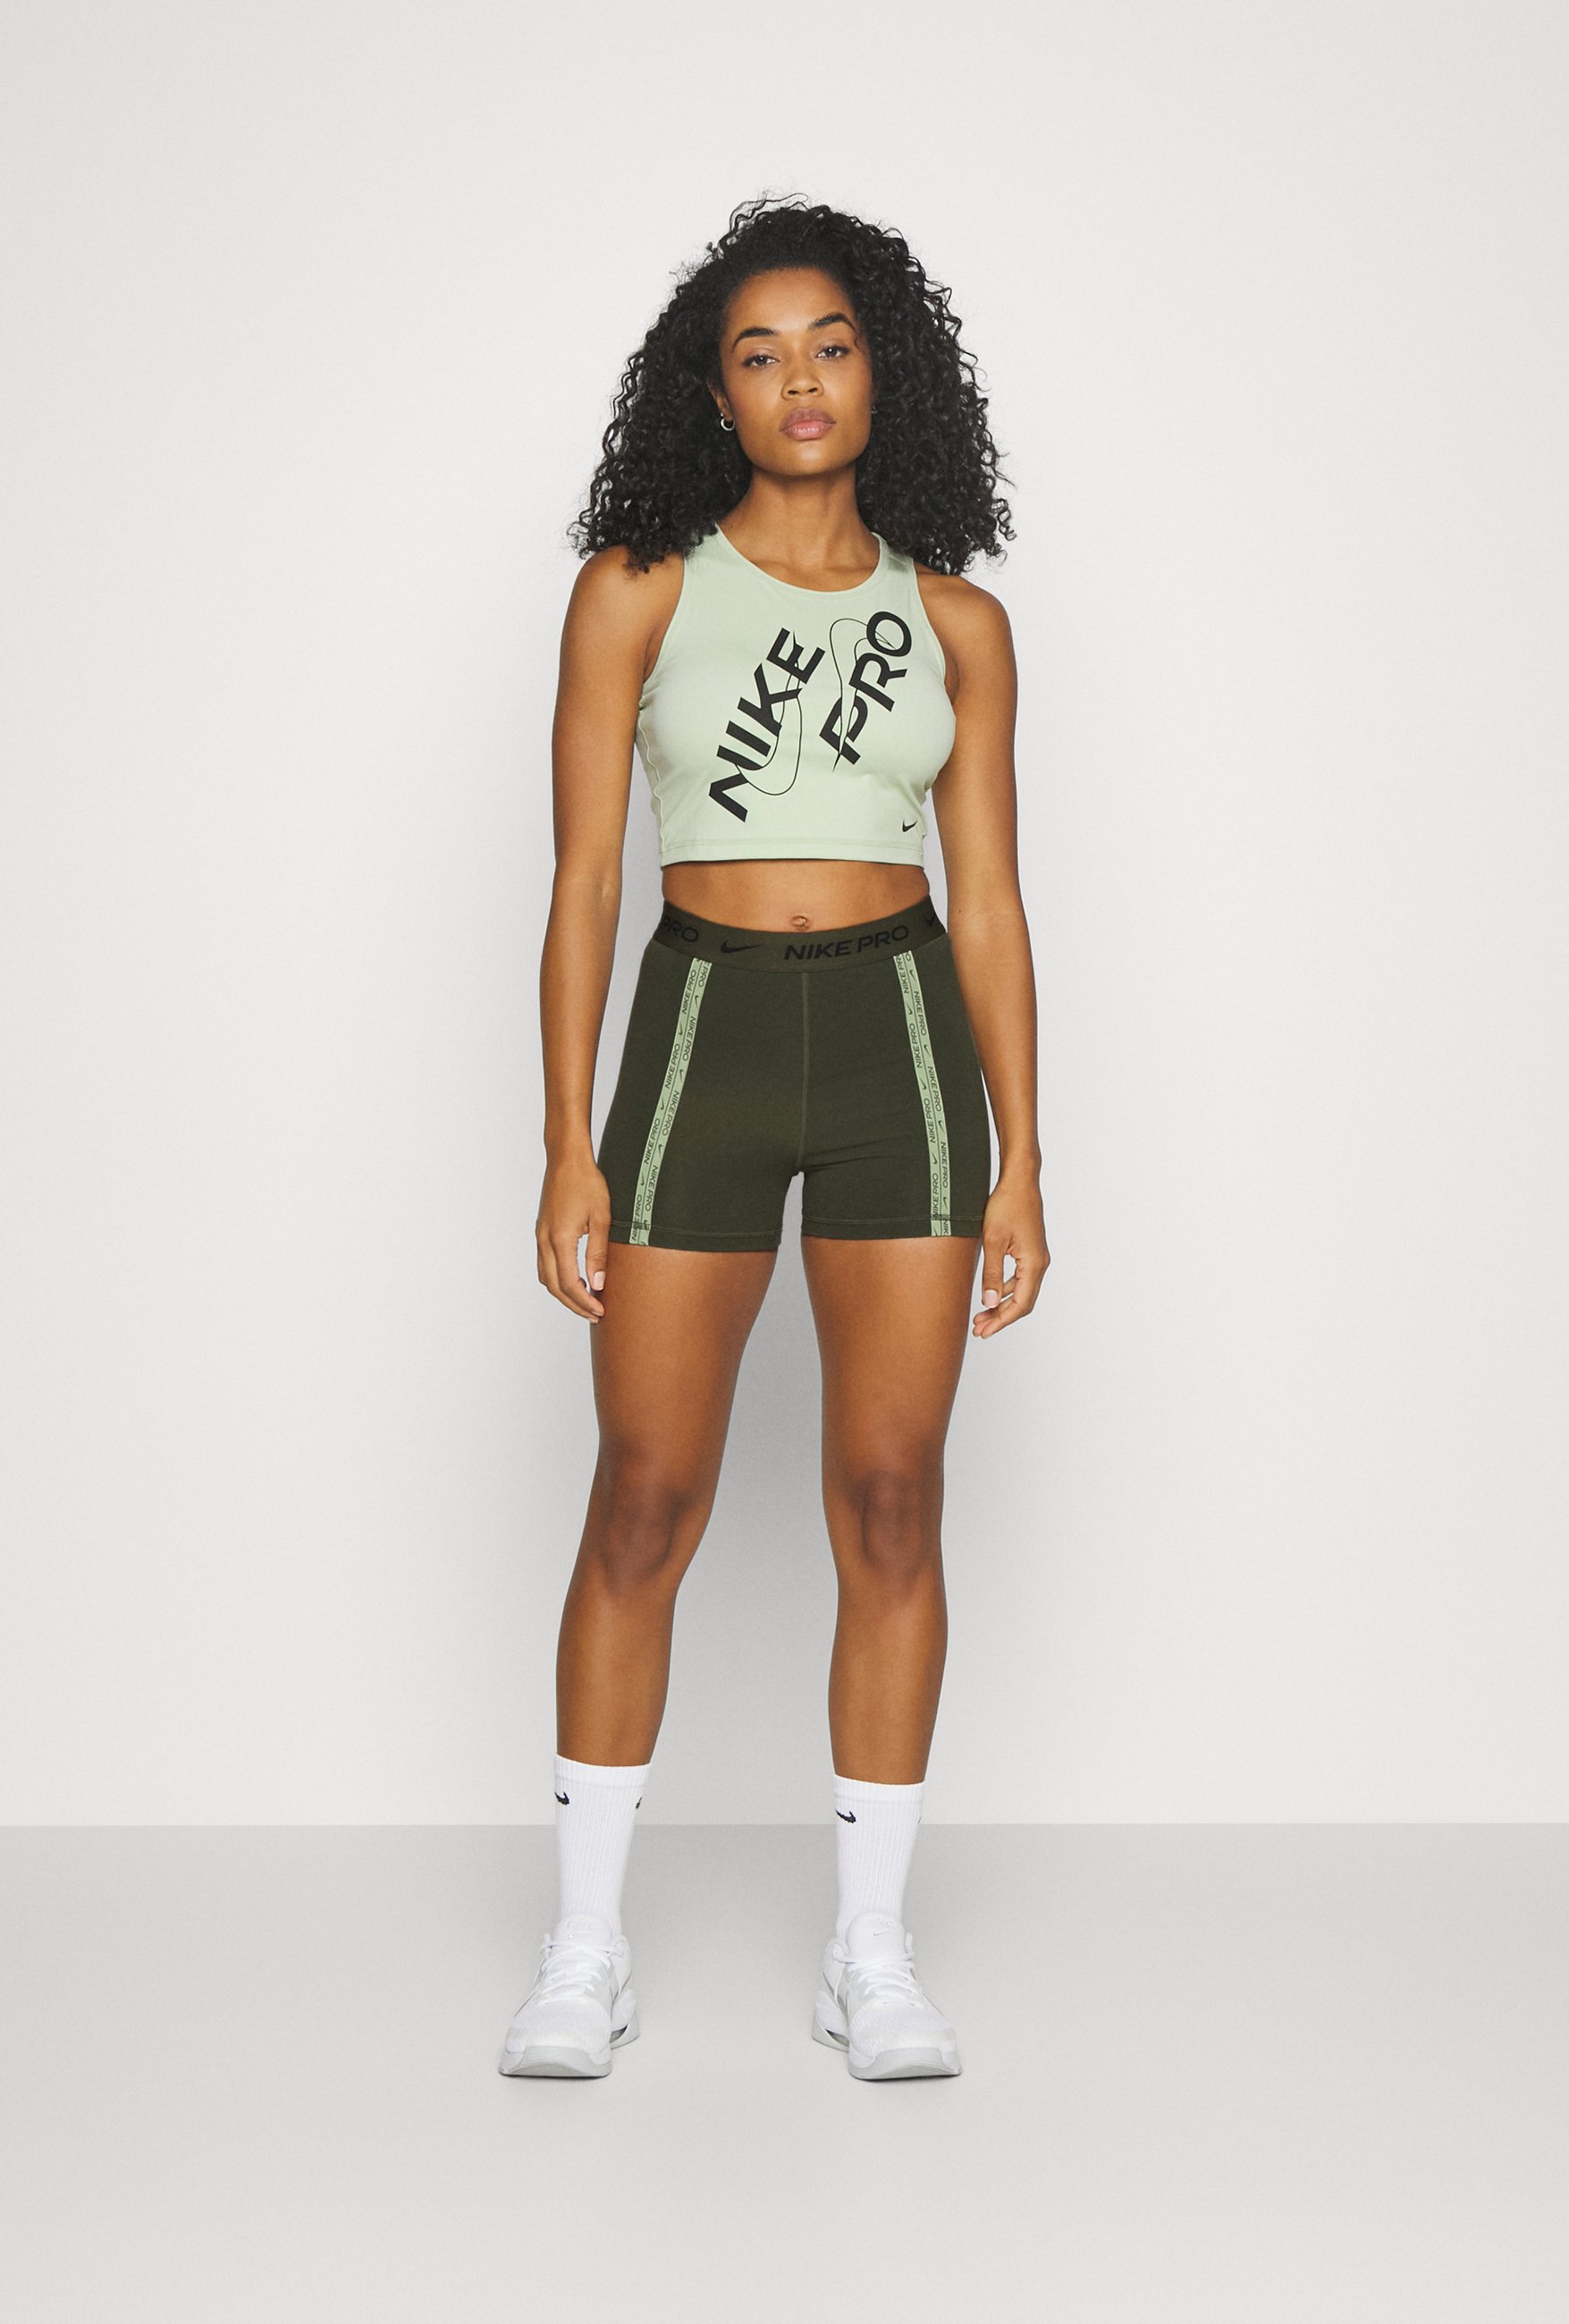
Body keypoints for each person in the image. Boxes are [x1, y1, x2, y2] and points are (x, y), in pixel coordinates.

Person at [499, 195, 1048, 2083]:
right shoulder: (640, 588)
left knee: (890, 1495)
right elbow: (585, 883)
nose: (798, 379)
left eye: (829, 343)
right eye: (757, 352)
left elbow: (991, 906)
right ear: (711, 393)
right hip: (702, 1036)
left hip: (898, 1041)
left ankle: (869, 1952)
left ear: (884, 372)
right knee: (645, 1494)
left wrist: (1024, 1157)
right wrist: (566, 1144)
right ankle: (584, 1949)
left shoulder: (957, 623)